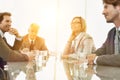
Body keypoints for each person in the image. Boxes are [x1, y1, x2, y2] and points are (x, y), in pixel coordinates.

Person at [87, 0, 120, 67]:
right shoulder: (112, 33)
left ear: (118, 7)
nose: (103, 12)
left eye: (106, 7)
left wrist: (96, 59)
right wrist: (89, 57)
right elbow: (102, 50)